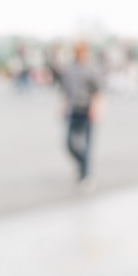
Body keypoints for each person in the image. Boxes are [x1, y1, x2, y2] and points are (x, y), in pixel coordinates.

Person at [58, 42, 103, 182]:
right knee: (68, 143)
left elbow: (97, 92)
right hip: (73, 109)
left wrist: (96, 109)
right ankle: (81, 164)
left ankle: (85, 174)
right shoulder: (70, 69)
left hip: (86, 109)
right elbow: (65, 91)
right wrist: (62, 108)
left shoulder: (91, 69)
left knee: (86, 144)